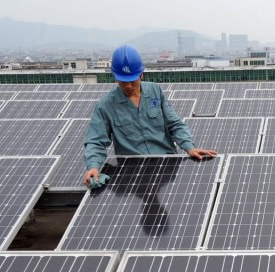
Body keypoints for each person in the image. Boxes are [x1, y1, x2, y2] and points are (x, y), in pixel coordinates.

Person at [83, 45, 217, 187]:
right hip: (133, 172)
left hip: (167, 165)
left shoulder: (155, 91)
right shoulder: (106, 105)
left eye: (132, 81)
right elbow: (95, 141)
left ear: (142, 74)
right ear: (115, 77)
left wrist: (189, 147)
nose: (128, 86)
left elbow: (174, 124)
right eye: (123, 82)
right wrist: (93, 166)